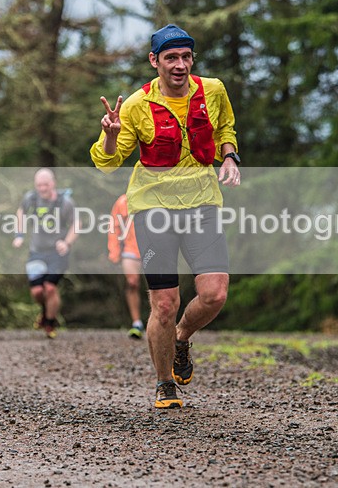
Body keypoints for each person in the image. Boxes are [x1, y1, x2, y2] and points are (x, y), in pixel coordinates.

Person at [91, 24, 241, 408]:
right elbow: (107, 162)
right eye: (171, 58)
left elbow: (225, 127)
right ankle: (164, 383)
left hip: (202, 202)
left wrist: (229, 156)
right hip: (153, 207)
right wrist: (111, 134)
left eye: (186, 57)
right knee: (163, 304)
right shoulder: (136, 105)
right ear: (154, 61)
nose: (180, 65)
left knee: (215, 294)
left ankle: (181, 337)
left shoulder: (213, 90)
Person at [13, 168, 78, 339]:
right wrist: (19, 235)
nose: (42, 189)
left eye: (46, 185)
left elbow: (76, 225)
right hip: (36, 251)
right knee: (36, 292)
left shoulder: (65, 202)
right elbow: (20, 212)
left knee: (49, 288)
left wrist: (67, 243)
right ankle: (45, 312)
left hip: (57, 253)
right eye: (39, 185)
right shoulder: (31, 198)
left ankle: (49, 323)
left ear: (53, 183)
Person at [107, 194, 146, 340]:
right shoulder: (123, 201)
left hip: (153, 248)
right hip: (131, 249)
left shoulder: (157, 195)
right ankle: (137, 322)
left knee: (159, 286)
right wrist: (114, 251)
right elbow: (114, 226)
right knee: (132, 282)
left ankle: (159, 322)